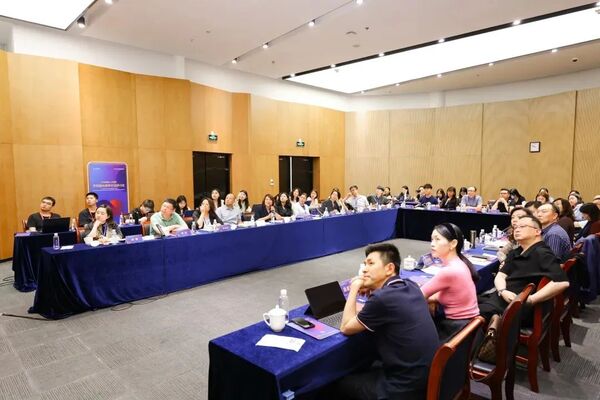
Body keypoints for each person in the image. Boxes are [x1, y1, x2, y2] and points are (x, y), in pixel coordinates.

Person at [337, 243, 439, 400]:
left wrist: (354, 288)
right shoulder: (411, 285)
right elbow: (387, 308)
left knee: (337, 384)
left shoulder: (382, 299)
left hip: (403, 387)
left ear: (389, 268)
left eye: (371, 263)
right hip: (427, 377)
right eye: (364, 264)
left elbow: (345, 327)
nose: (364, 270)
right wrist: (373, 291)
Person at [477, 215, 569, 322]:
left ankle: (494, 322)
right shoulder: (517, 251)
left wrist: (531, 299)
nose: (517, 230)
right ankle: (494, 321)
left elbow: (562, 282)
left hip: (516, 307)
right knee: (467, 301)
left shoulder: (542, 253)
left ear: (537, 231)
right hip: (502, 298)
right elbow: (501, 275)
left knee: (467, 313)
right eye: (515, 227)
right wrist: (502, 291)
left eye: (522, 226)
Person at [421, 223, 480, 341]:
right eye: (432, 239)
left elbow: (418, 295)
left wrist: (428, 298)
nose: (432, 244)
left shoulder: (449, 271)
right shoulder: (460, 263)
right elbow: (448, 294)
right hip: (468, 326)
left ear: (453, 244)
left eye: (437, 239)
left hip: (456, 330)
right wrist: (432, 299)